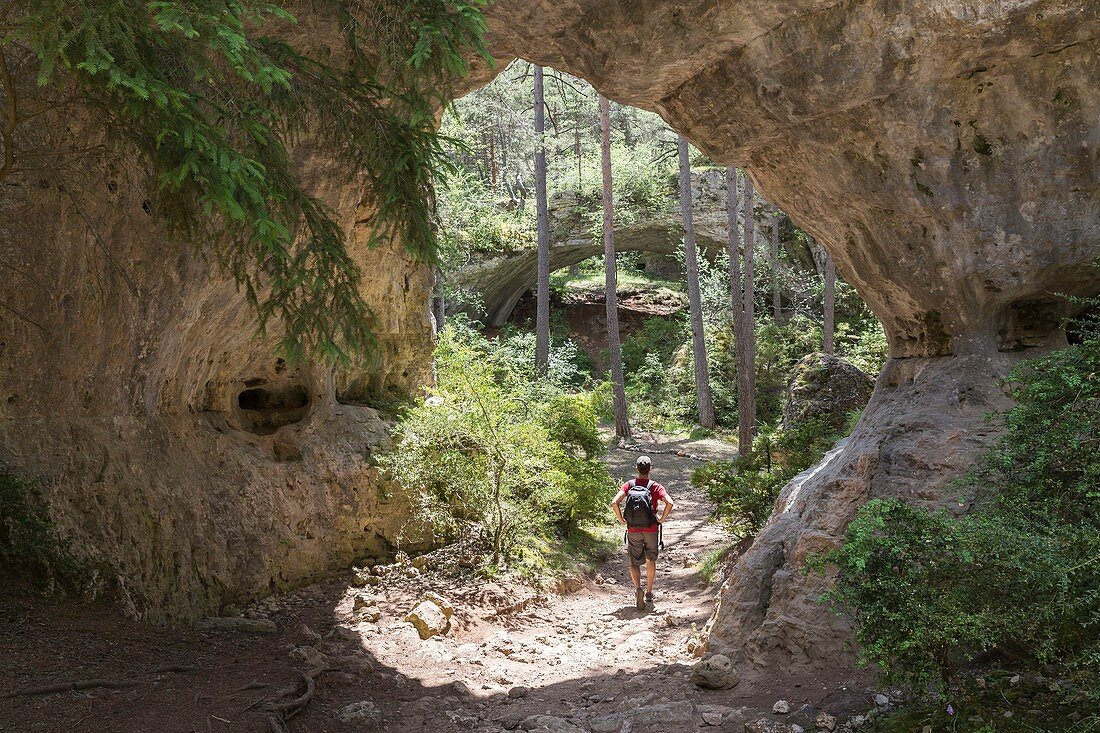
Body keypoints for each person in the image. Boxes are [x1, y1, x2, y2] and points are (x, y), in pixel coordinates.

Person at [610, 455, 675, 610]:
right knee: (650, 560)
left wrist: (621, 519)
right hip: (651, 529)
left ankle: (638, 588)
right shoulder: (655, 486)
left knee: (634, 561)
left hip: (633, 529)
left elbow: (614, 502)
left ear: (637, 469)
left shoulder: (629, 485)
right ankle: (649, 592)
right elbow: (670, 502)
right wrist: (661, 519)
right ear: (650, 469)